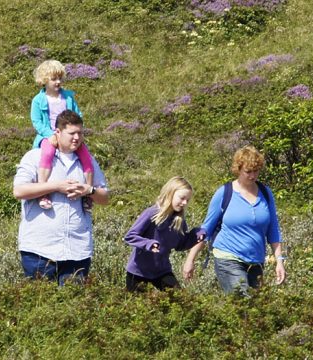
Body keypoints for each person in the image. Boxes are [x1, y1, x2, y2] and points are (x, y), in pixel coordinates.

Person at [13, 110, 109, 285]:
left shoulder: (88, 162)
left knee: (73, 306)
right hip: (39, 250)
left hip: (77, 250)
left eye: (80, 133)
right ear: (58, 132)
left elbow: (104, 198)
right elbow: (19, 191)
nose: (77, 138)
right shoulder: (34, 157)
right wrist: (56, 186)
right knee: (40, 305)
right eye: (72, 133)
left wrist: (88, 190)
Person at [183, 145, 286, 296]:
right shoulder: (225, 193)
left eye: (256, 171)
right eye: (248, 172)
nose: (252, 176)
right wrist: (190, 259)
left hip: (256, 261)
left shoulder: (266, 193)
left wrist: (279, 261)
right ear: (238, 169)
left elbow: (273, 230)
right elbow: (206, 229)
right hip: (228, 257)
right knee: (242, 300)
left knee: (256, 309)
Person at [30, 59, 94, 211]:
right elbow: (37, 121)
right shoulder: (38, 100)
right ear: (44, 80)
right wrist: (49, 135)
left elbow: (78, 115)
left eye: (60, 78)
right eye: (54, 79)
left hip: (69, 135)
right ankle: (43, 192)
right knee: (47, 154)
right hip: (49, 136)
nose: (58, 82)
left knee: (86, 157)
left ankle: (87, 193)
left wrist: (77, 132)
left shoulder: (68, 97)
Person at [124, 176, 202, 292]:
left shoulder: (179, 220)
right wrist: (148, 244)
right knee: (137, 308)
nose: (184, 203)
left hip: (162, 271)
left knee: (180, 301)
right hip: (138, 271)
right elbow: (130, 237)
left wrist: (197, 235)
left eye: (187, 200)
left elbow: (180, 245)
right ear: (170, 193)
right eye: (182, 198)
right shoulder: (152, 213)